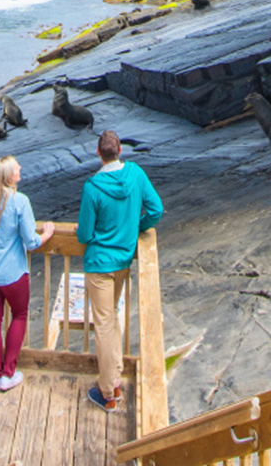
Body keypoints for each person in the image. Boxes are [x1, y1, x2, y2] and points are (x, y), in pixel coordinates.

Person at [76, 128, 163, 413]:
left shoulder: (92, 188)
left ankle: (107, 393)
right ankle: (114, 380)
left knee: (103, 325)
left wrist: (87, 232)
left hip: (100, 264)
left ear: (99, 153)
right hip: (124, 261)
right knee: (110, 319)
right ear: (121, 150)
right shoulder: (136, 174)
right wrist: (135, 228)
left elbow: (85, 235)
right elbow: (156, 209)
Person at [0, 155, 53, 391]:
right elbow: (32, 241)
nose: (20, 169)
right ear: (8, 176)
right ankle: (9, 372)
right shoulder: (20, 202)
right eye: (17, 168)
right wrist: (47, 232)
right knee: (19, 316)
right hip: (14, 272)